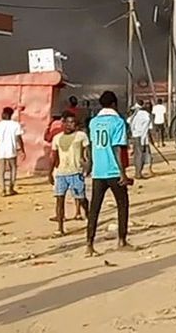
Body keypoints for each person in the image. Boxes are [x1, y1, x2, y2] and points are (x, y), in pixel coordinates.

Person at [86, 90, 132, 256]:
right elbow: (117, 148)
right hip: (113, 170)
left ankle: (89, 244)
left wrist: (90, 166)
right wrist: (123, 173)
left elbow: (91, 146)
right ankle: (121, 240)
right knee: (122, 205)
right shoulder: (118, 122)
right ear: (114, 104)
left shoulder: (93, 122)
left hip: (98, 171)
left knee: (95, 208)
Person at [50, 112, 90, 236]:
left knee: (81, 198)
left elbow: (87, 153)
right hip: (61, 172)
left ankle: (89, 217)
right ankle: (60, 227)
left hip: (75, 171)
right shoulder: (57, 138)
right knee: (59, 199)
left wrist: (88, 166)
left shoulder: (81, 136)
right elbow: (54, 156)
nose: (69, 125)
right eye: (67, 122)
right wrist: (50, 172)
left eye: (72, 122)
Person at [0, 106, 25, 196]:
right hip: (11, 150)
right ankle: (11, 188)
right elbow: (19, 138)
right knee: (13, 169)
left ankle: (2, 189)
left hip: (0, 151)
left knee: (1, 171)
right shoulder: (15, 125)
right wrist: (22, 150)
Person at [128, 102, 153, 179]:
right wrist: (149, 140)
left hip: (135, 136)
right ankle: (138, 174)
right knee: (142, 156)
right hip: (143, 138)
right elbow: (148, 129)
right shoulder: (147, 115)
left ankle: (137, 172)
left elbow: (129, 122)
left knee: (137, 156)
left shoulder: (135, 115)